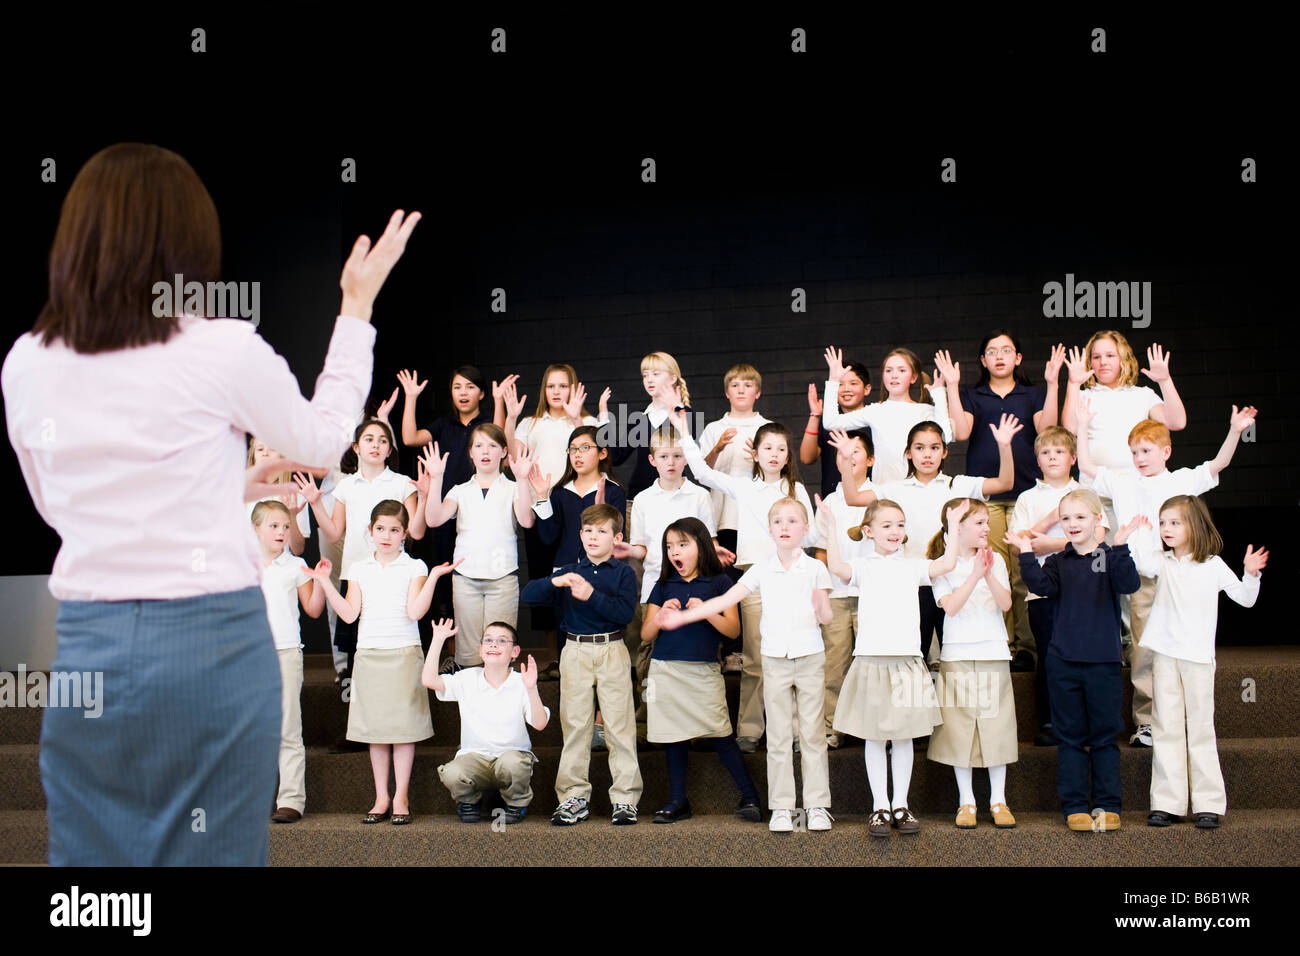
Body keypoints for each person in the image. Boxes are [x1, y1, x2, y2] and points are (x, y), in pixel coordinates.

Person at [3, 141, 419, 864]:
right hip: (212, 643)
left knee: (93, 875)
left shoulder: (29, 360)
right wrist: (356, 306)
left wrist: (222, 486)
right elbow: (323, 444)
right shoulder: (220, 348)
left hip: (87, 644)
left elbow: (63, 506)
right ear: (185, 242)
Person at [1076, 401, 1257, 747]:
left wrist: (1236, 431)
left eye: (1146, 451)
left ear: (1165, 451)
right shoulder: (1122, 482)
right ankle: (1146, 722)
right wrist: (1082, 426)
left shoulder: (1180, 480)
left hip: (1179, 575)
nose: (1139, 458)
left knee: (1185, 645)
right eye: (1134, 452)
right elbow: (1085, 465)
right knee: (1145, 650)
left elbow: (1218, 464)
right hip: (1144, 578)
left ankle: (1183, 718)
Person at [658, 498, 835, 833]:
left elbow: (825, 617)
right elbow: (725, 601)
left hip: (810, 656)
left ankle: (816, 806)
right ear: (769, 530)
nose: (785, 527)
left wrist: (821, 606)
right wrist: (684, 616)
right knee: (780, 735)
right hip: (774, 658)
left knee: (812, 735)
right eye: (778, 522)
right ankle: (783, 807)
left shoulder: (815, 568)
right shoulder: (762, 568)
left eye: (793, 521)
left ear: (806, 529)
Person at [671, 410, 816, 753]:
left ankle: (795, 729)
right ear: (757, 452)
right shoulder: (743, 487)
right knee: (755, 657)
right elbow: (702, 471)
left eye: (781, 449)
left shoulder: (796, 490)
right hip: (755, 579)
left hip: (793, 581)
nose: (775, 455)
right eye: (768, 448)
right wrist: (683, 432)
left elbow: (809, 539)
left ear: (788, 455)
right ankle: (750, 729)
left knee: (794, 655)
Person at [307, 501, 460, 825]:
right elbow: (349, 613)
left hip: (404, 653)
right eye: (380, 529)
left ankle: (401, 796)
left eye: (394, 529)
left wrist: (432, 578)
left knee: (403, 731)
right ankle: (381, 797)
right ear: (370, 531)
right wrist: (323, 583)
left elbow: (415, 612)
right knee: (376, 732)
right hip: (369, 654)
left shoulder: (414, 567)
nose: (387, 535)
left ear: (405, 533)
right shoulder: (359, 569)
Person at [1009, 490, 1145, 831]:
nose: (1072, 524)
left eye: (1080, 517)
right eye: (1066, 518)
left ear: (1099, 520)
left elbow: (1129, 582)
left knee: (1103, 737)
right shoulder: (1058, 562)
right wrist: (1026, 553)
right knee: (1069, 737)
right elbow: (1041, 584)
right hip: (1064, 663)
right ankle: (1074, 805)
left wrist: (1121, 546)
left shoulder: (1108, 557)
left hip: (1103, 663)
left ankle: (1108, 804)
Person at [839, 415, 1020, 665]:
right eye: (919, 448)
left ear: (945, 452)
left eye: (935, 448)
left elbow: (1005, 482)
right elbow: (852, 497)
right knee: (917, 654)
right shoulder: (896, 488)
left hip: (954, 579)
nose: (927, 455)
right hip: (915, 583)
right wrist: (847, 462)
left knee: (953, 654)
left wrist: (1004, 445)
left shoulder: (958, 485)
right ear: (909, 453)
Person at [934, 334, 1066, 669]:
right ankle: (1004, 644)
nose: (999, 356)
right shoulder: (973, 394)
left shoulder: (1032, 393)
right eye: (991, 352)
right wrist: (952, 385)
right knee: (993, 567)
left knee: (1023, 572)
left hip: (1025, 495)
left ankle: (1026, 647)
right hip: (988, 499)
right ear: (983, 361)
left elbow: (1047, 427)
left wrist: (1052, 384)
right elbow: (961, 432)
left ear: (1018, 358)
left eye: (1006, 350)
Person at [1142, 496, 1265, 829]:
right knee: (1166, 726)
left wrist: (1250, 574)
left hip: (1197, 657)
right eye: (1163, 522)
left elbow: (1245, 599)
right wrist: (1135, 535)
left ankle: (1208, 804)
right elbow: (1139, 563)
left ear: (1194, 525)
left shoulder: (1212, 565)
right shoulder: (1161, 561)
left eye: (1174, 522)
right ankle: (1167, 803)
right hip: (1165, 653)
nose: (1166, 528)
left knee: (1200, 727)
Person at [521, 503, 641, 826]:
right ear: (580, 534)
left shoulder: (624, 574)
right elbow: (528, 596)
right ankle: (574, 797)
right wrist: (553, 584)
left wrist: (591, 595)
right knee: (575, 725)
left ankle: (625, 799)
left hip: (612, 647)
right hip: (574, 650)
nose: (593, 537)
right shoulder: (569, 571)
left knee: (619, 726)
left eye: (601, 531)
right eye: (587, 530)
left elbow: (625, 615)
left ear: (616, 538)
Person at [639, 518, 761, 823]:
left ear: (701, 546)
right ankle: (678, 800)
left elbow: (732, 631)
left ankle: (750, 796)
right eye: (670, 546)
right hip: (666, 670)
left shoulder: (720, 582)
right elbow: (645, 635)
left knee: (721, 734)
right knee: (673, 737)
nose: (674, 552)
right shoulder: (664, 584)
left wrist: (704, 613)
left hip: (704, 671)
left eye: (682, 544)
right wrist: (660, 617)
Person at [296, 417, 426, 677]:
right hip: (356, 575)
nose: (375, 446)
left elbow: (417, 532)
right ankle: (355, 700)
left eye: (382, 441)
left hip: (395, 574)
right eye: (369, 440)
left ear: (390, 449)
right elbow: (333, 533)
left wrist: (423, 498)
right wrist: (315, 504)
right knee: (358, 648)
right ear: (356, 448)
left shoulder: (401, 483)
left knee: (392, 639)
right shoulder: (346, 485)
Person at [925, 498, 1019, 829]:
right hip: (958, 653)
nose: (986, 528)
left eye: (986, 522)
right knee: (960, 729)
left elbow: (1006, 603)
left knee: (997, 725)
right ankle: (967, 801)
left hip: (993, 651)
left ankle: (998, 800)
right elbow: (950, 607)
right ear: (958, 527)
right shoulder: (941, 564)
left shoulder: (996, 561)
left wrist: (988, 571)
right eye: (978, 522)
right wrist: (974, 575)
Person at [1006, 426, 1101, 745]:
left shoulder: (1087, 494)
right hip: (1042, 592)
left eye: (1059, 452)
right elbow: (1019, 544)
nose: (1052, 457)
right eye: (1045, 453)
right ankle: (1051, 721)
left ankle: (1084, 720)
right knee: (1050, 657)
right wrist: (1049, 520)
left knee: (1082, 655)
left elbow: (1098, 539)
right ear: (1037, 460)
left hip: (1083, 591)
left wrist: (1051, 544)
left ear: (1073, 457)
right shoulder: (1027, 498)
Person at [390, 365, 506, 623]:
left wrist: (500, 403)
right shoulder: (444, 425)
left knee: (478, 574)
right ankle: (453, 652)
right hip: (445, 510)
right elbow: (409, 438)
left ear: (482, 394)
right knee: (446, 578)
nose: (463, 392)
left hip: (479, 510)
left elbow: (500, 438)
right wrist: (410, 397)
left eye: (470, 387)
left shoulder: (487, 423)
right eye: (457, 387)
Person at [420, 424, 538, 668]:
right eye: (479, 445)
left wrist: (524, 479)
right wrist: (436, 478)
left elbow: (527, 520)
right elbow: (433, 519)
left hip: (502, 578)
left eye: (493, 445)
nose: (486, 451)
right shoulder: (460, 490)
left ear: (504, 452)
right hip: (465, 578)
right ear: (470, 453)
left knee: (500, 649)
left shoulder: (514, 488)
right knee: (468, 653)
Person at [422, 620, 550, 824]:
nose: (493, 645)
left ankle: (517, 803)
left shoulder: (521, 682)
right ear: (481, 650)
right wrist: (438, 640)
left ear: (515, 651)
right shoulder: (466, 679)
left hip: (511, 757)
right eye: (488, 640)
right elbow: (429, 680)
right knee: (452, 772)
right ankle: (469, 801)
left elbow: (540, 723)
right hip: (474, 759)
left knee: (513, 764)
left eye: (501, 641)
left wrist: (532, 688)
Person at [252, 500, 327, 824]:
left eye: (286, 526)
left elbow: (312, 609)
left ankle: (291, 799)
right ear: (255, 529)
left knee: (287, 728)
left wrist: (322, 582)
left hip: (284, 653)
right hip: (249, 656)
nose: (282, 532)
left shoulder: (295, 566)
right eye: (273, 526)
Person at [811, 428, 876, 748]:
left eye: (856, 452)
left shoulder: (880, 498)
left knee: (872, 666)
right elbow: (820, 550)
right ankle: (831, 726)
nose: (848, 458)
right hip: (837, 595)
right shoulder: (831, 501)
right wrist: (823, 590)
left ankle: (873, 727)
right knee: (834, 667)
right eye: (842, 453)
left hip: (872, 597)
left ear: (871, 459)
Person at [821, 345, 953, 486]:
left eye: (902, 370)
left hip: (918, 489)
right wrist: (834, 380)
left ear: (913, 377)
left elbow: (946, 436)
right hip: (884, 492)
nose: (894, 375)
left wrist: (939, 395)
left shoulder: (925, 410)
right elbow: (830, 422)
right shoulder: (875, 411)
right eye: (888, 371)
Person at [801, 359, 872, 498]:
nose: (846, 389)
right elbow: (806, 458)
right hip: (834, 499)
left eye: (853, 383)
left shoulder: (874, 418)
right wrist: (815, 415)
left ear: (867, 389)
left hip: (869, 498)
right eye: (840, 384)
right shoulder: (828, 422)